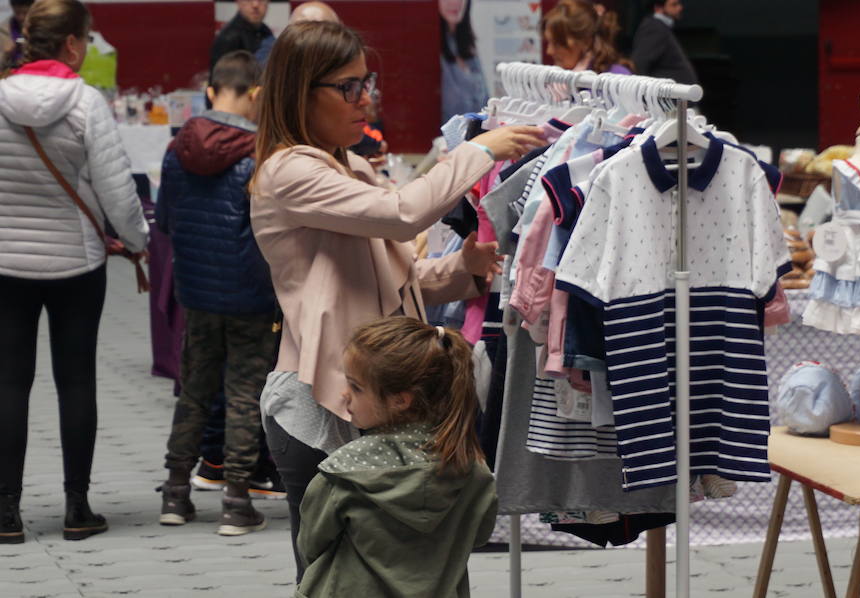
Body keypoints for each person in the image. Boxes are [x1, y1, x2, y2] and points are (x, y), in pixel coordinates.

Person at [249, 20, 542, 581]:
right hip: (323, 404)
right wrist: (479, 150)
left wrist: (465, 269)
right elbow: (405, 213)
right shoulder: (289, 171)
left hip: (374, 395)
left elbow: (397, 275)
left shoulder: (350, 166)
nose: (366, 100)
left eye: (368, 83)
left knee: (402, 575)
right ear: (299, 92)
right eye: (349, 87)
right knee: (337, 581)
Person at [0, 0, 149, 544]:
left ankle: (6, 513)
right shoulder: (87, 103)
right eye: (85, 39)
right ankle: (77, 508)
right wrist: (138, 243)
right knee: (76, 381)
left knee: (9, 384)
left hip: (5, 264)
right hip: (75, 264)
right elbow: (116, 189)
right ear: (70, 44)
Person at [155, 50, 278, 536]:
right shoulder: (260, 153)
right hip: (249, 293)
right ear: (256, 95)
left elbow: (165, 221)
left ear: (209, 91)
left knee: (195, 391)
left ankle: (175, 493)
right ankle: (236, 501)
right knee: (245, 393)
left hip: (196, 291)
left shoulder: (175, 149)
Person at [295, 316, 498, 597]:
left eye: (356, 387)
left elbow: (311, 544)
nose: (344, 394)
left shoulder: (344, 471)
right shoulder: (469, 467)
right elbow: (478, 535)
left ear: (400, 400)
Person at [541, 0, 632, 74]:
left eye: (559, 44)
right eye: (548, 42)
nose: (549, 51)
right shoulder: (550, 80)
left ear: (586, 42)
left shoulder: (616, 77)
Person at [439, 0, 489, 123]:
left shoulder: (468, 49)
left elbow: (486, 104)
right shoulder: (428, 51)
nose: (455, 2)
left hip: (476, 139)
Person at [630, 0, 697, 84]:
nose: (680, 8)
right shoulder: (654, 27)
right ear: (658, 7)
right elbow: (640, 62)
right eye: (674, 4)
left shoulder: (660, 27)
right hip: (665, 93)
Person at [209, 0, 272, 73]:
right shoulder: (228, 38)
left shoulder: (265, 31)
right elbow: (218, 80)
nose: (255, 4)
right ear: (238, 2)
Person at [0, 0, 33, 69]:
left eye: (25, 13)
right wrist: (6, 54)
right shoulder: (4, 30)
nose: (21, 17)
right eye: (17, 13)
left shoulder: (41, 27)